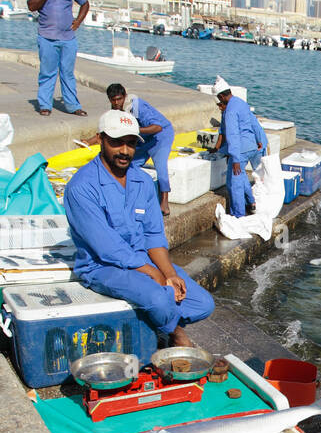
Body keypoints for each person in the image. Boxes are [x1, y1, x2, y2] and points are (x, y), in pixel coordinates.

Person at [64, 109, 214, 348]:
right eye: (117, 142)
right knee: (159, 298)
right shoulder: (81, 187)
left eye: (131, 144)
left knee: (202, 303)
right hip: (102, 266)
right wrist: (154, 274)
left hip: (144, 259)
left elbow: (153, 235)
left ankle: (156, 322)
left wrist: (169, 274)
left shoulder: (143, 181)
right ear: (100, 139)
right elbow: (107, 248)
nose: (124, 151)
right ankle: (175, 334)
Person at [26, 0, 90, 116]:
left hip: (68, 38)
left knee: (67, 73)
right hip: (46, 37)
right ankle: (45, 105)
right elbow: (32, 6)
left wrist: (78, 21)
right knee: (47, 72)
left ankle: (73, 105)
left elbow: (85, 3)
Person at [106, 83, 175, 217]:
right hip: (143, 138)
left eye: (119, 99)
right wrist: (89, 141)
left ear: (124, 97)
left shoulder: (137, 106)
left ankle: (164, 203)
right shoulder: (115, 109)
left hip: (160, 136)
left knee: (160, 167)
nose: (116, 103)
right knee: (129, 164)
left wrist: (133, 130)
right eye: (113, 100)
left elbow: (157, 127)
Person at [213, 77, 267, 217]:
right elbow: (254, 122)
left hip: (241, 150)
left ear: (221, 96)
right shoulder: (241, 103)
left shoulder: (230, 111)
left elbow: (232, 135)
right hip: (253, 146)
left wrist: (235, 159)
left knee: (234, 184)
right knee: (241, 175)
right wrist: (259, 139)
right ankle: (251, 202)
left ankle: (238, 216)